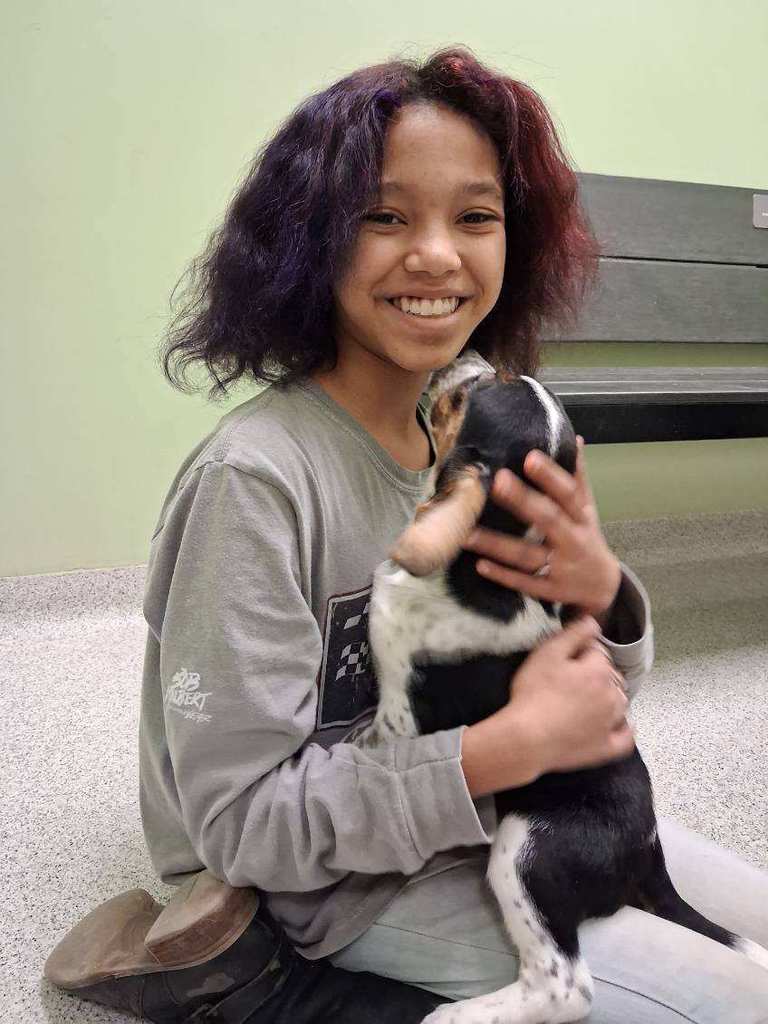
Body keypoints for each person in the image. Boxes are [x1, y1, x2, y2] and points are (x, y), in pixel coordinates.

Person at [131, 45, 768, 1024]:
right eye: (384, 215)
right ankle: (254, 988)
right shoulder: (253, 483)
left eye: (475, 216)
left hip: (503, 807)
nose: (436, 253)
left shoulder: (494, 414)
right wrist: (491, 755)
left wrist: (602, 592)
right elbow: (239, 825)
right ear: (308, 240)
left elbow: (584, 697)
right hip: (327, 883)